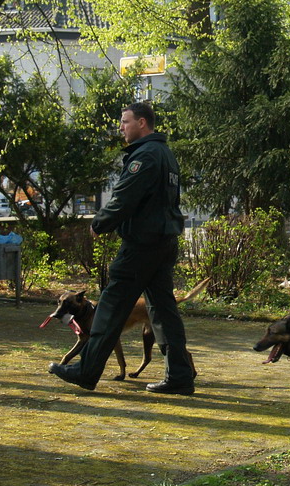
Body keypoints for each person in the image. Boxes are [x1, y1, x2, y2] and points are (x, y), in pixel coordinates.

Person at [48, 102, 196, 395]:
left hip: (141, 245)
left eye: (125, 121)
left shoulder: (146, 155)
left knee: (110, 306)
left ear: (142, 123)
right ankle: (179, 376)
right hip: (164, 242)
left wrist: (100, 222)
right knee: (164, 312)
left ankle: (86, 371)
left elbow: (126, 195)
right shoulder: (166, 154)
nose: (121, 126)